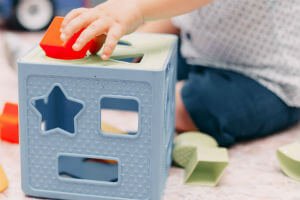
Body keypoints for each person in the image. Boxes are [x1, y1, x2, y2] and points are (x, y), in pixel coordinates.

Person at [60, 0, 300, 146]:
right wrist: (133, 47)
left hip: (267, 80)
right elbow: (176, 13)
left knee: (190, 105)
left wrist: (135, 8)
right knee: (146, 64)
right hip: (202, 52)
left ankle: (176, 102)